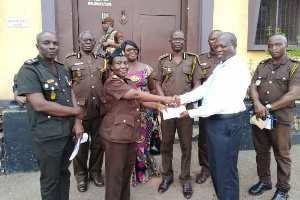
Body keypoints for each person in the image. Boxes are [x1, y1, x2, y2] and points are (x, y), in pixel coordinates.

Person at [177, 32, 251, 200]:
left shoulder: (236, 69)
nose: (218, 49)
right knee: (217, 170)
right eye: (216, 46)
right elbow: (204, 89)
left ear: (235, 46)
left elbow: (221, 104)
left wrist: (191, 112)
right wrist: (181, 99)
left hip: (226, 124)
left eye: (223, 46)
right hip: (216, 123)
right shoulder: (221, 66)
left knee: (225, 172)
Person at [100, 47, 175, 200]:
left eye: (124, 63)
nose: (122, 66)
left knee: (126, 172)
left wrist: (158, 106)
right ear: (111, 67)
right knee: (115, 175)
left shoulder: (127, 81)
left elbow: (139, 101)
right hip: (116, 135)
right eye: (118, 63)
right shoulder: (112, 82)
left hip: (129, 133)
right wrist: (163, 99)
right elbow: (134, 94)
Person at [17, 31, 84, 200]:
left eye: (55, 43)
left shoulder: (61, 68)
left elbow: (71, 93)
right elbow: (40, 104)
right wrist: (76, 112)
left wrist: (77, 122)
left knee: (63, 174)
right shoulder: (29, 70)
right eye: (47, 43)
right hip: (48, 136)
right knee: (50, 180)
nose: (52, 47)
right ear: (37, 45)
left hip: (67, 132)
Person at [248, 34, 300, 200]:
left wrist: (268, 107)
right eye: (270, 45)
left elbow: (293, 94)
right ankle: (264, 181)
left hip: (280, 119)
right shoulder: (263, 65)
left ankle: (283, 189)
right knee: (261, 150)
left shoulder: (294, 67)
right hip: (260, 116)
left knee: (282, 154)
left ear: (286, 45)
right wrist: (256, 102)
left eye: (278, 45)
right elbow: (253, 86)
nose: (274, 48)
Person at [153, 29, 203, 199]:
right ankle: (166, 177)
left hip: (184, 109)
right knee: (166, 144)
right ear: (170, 40)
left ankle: (186, 179)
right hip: (167, 109)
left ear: (184, 41)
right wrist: (163, 100)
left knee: (186, 145)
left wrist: (184, 99)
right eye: (174, 38)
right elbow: (158, 83)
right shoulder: (162, 61)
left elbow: (198, 85)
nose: (177, 41)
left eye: (180, 38)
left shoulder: (193, 60)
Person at [64, 31, 107, 192]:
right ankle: (81, 176)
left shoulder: (102, 61)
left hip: (100, 110)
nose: (88, 42)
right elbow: (66, 87)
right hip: (79, 111)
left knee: (98, 144)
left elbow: (106, 82)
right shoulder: (70, 61)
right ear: (79, 42)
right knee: (80, 145)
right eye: (85, 40)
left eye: (91, 40)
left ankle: (95, 173)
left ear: (95, 42)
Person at [120, 40, 161, 186]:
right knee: (129, 143)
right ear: (123, 52)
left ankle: (141, 171)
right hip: (127, 113)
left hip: (145, 113)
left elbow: (153, 89)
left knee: (143, 143)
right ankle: (129, 174)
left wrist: (155, 110)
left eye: (134, 49)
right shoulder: (120, 70)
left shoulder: (146, 69)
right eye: (128, 49)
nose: (132, 51)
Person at [196, 30, 222, 184]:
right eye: (212, 39)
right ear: (208, 41)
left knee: (222, 140)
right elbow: (197, 83)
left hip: (224, 108)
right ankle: (205, 169)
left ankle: (220, 169)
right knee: (204, 139)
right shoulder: (200, 59)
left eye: (218, 39)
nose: (215, 42)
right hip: (206, 106)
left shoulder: (228, 59)